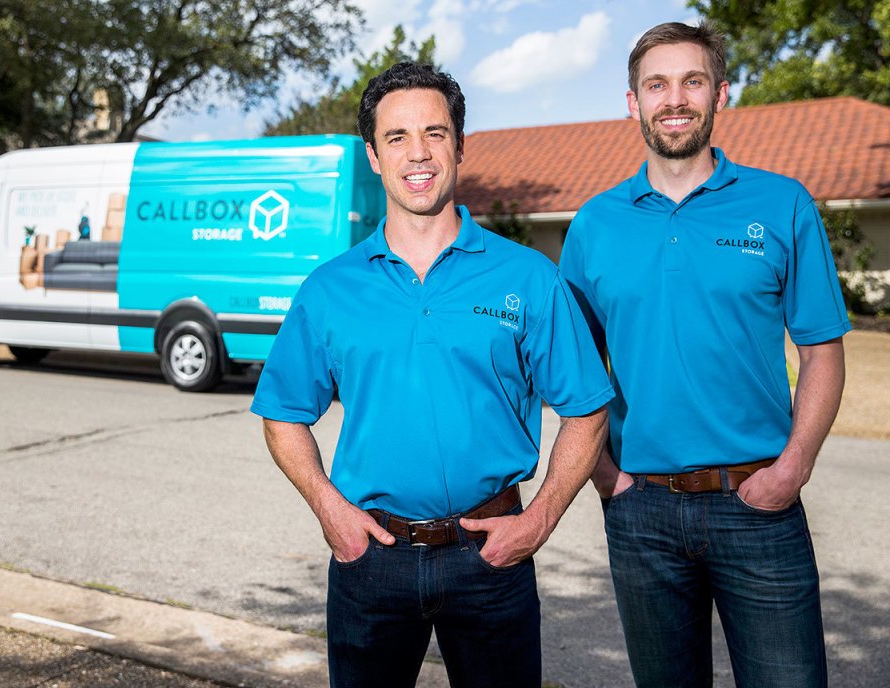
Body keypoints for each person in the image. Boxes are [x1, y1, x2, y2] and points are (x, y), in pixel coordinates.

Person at [251, 62, 614, 688]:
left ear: (460, 145)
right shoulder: (330, 288)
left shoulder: (528, 277)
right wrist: (328, 508)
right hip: (371, 559)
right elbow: (282, 415)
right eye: (396, 137)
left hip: (492, 558)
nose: (417, 153)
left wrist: (539, 520)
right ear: (373, 155)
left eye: (435, 133)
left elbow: (587, 408)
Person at [559, 21, 849, 688]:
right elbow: (574, 369)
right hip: (641, 510)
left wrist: (793, 468)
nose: (674, 99)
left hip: (759, 503)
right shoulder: (595, 224)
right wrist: (604, 476)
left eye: (692, 82)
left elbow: (822, 352)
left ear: (721, 94)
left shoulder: (781, 204)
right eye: (656, 85)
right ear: (633, 102)